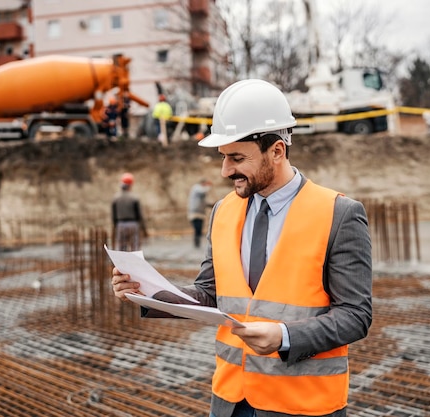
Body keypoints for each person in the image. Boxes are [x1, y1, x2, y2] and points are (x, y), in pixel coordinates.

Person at [111, 79, 372, 417]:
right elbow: (209, 293)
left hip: (302, 404)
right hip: (230, 401)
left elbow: (355, 315)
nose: (225, 170)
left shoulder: (339, 214)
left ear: (277, 151)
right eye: (223, 157)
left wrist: (285, 336)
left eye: (236, 157)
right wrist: (146, 291)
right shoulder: (223, 211)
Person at [111, 173, 147, 251]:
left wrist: (115, 226)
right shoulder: (134, 198)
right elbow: (139, 215)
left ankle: (122, 262)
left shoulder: (116, 198)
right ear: (131, 185)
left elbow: (114, 216)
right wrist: (144, 229)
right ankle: (134, 262)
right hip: (133, 224)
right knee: (135, 247)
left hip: (120, 224)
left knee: (121, 247)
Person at [187, 178, 213, 248]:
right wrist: (209, 186)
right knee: (197, 227)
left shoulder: (203, 194)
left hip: (201, 213)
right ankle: (196, 243)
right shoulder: (196, 188)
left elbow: (203, 202)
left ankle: (197, 243)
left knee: (200, 229)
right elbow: (203, 191)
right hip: (194, 212)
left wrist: (211, 205)